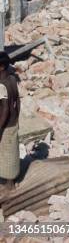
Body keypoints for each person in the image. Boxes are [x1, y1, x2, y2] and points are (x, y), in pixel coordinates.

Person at [0, 51, 20, 193]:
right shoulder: (12, 78)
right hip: (13, 121)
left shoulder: (1, 85)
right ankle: (9, 180)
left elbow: (5, 109)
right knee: (12, 150)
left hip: (5, 123)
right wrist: (17, 115)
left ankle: (9, 184)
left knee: (6, 153)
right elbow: (18, 100)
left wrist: (0, 127)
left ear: (1, 67)